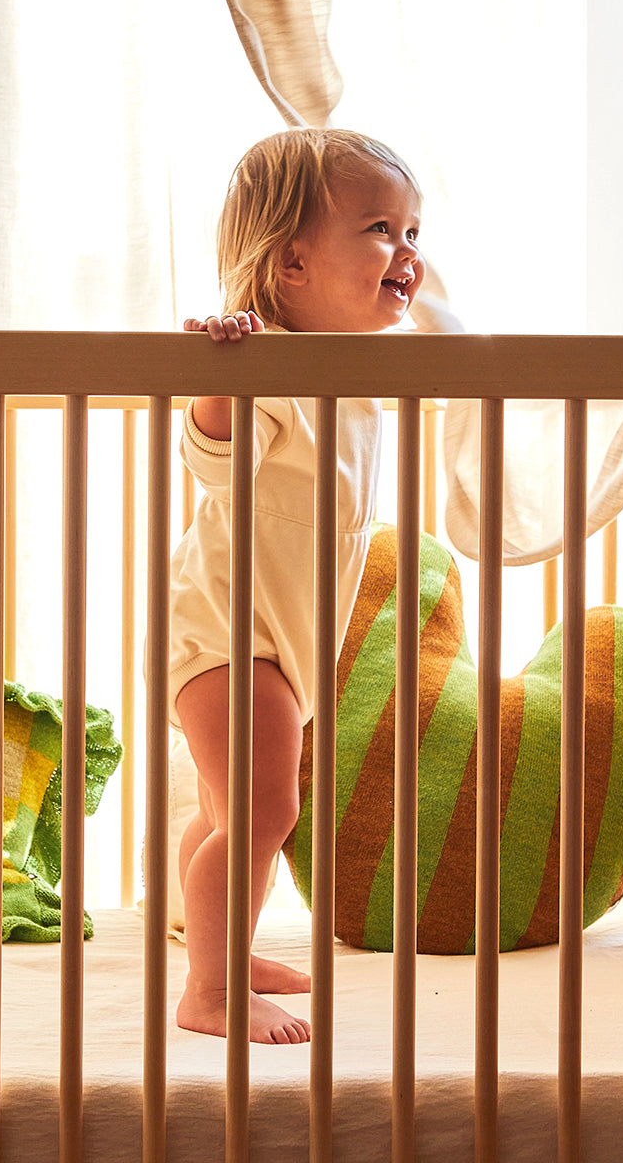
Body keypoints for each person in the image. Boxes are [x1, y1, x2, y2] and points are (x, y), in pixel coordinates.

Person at [170, 127, 425, 1044]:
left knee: (241, 811)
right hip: (233, 633)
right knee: (263, 809)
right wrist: (222, 368)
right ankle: (207, 992)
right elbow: (209, 450)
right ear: (290, 264)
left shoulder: (357, 373)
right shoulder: (266, 364)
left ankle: (220, 950)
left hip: (288, 642)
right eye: (380, 230)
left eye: (413, 233)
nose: (408, 252)